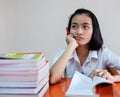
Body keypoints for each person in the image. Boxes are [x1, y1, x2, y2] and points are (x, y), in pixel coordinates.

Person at [49, 8, 120, 84]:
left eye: (85, 27)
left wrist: (113, 78)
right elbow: (52, 79)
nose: (79, 32)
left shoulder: (103, 53)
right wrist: (71, 46)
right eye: (74, 26)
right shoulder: (64, 52)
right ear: (68, 31)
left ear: (94, 30)